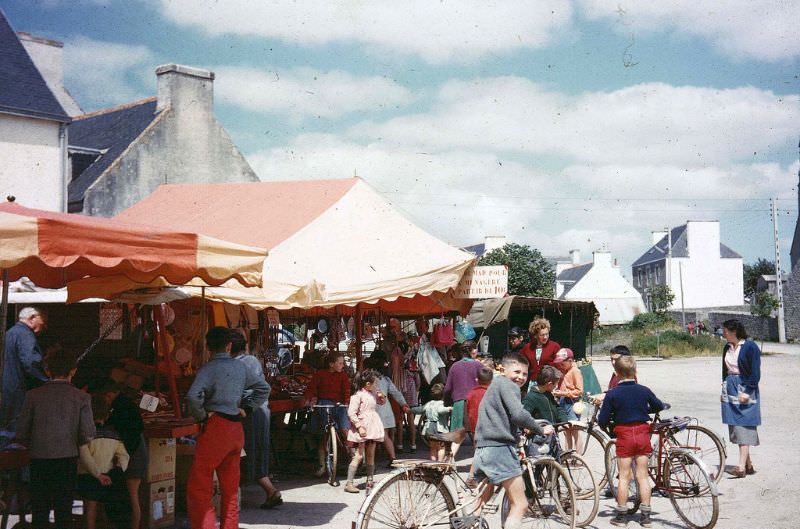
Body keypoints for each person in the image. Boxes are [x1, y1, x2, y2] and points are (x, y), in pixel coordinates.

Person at [186, 327, 270, 529]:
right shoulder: (240, 368)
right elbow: (263, 388)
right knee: (230, 489)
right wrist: (247, 409)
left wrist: (202, 415)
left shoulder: (207, 369)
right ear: (229, 345)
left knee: (200, 486)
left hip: (216, 427)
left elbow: (192, 396)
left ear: (207, 347)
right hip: (236, 428)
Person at [15, 350, 95, 529]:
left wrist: (33, 443)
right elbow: (88, 433)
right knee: (64, 510)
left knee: (40, 510)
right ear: (73, 371)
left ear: (47, 371)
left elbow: (21, 432)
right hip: (67, 459)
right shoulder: (82, 398)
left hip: (38, 459)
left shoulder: (33, 396)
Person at [473, 353, 553, 529]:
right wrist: (539, 429)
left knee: (482, 500)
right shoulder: (509, 386)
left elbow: (502, 416)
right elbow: (518, 414)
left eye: (525, 374)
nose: (521, 377)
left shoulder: (495, 385)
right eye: (516, 371)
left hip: (483, 448)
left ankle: (471, 522)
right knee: (520, 504)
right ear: (503, 369)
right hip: (500, 449)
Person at [598, 356, 665, 528]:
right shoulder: (644, 390)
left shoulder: (613, 393)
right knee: (642, 476)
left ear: (617, 374)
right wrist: (644, 408)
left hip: (625, 436)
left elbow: (603, 419)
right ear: (635, 371)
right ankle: (646, 517)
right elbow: (658, 406)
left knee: (624, 477)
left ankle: (621, 516)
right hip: (642, 434)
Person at [230, 331, 281, 508]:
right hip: (256, 410)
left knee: (249, 452)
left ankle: (267, 492)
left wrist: (246, 407)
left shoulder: (241, 363)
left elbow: (255, 388)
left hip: (251, 412)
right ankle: (270, 492)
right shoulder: (249, 360)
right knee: (254, 452)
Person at [98, 381, 147, 529]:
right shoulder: (126, 405)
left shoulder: (119, 409)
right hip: (135, 453)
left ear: (109, 395)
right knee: (133, 496)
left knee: (132, 497)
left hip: (132, 456)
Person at [78, 393, 130, 529]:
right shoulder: (114, 434)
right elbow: (123, 455)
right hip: (108, 475)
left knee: (90, 506)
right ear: (107, 415)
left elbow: (84, 455)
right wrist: (119, 469)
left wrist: (96, 474)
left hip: (87, 475)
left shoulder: (85, 433)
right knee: (105, 507)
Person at [720, 319, 761, 479]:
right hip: (730, 385)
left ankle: (741, 467)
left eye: (725, 331)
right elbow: (724, 370)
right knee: (736, 425)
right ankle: (748, 465)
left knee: (744, 424)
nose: (723, 333)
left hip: (745, 386)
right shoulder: (727, 347)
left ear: (734, 331)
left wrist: (748, 391)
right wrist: (723, 387)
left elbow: (755, 373)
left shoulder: (750, 347)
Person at [1, 307, 49, 438]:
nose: (45, 325)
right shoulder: (25, 335)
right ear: (32, 317)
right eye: (43, 320)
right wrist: (46, 382)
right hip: (18, 391)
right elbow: (31, 363)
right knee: (17, 432)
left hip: (7, 389)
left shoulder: (10, 333)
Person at [305, 352, 351, 477]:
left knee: (345, 429)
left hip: (339, 405)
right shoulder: (320, 374)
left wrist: (347, 402)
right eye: (340, 363)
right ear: (331, 364)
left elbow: (346, 390)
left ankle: (351, 454)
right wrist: (312, 399)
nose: (343, 365)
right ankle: (322, 465)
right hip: (324, 406)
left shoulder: (343, 376)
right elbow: (311, 389)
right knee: (323, 436)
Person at [344, 368, 386, 494]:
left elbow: (382, 402)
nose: (376, 386)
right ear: (368, 384)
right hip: (363, 428)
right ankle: (349, 483)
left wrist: (382, 396)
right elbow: (351, 413)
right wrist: (359, 426)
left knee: (371, 454)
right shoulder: (357, 396)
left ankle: (370, 480)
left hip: (372, 428)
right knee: (358, 455)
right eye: (375, 384)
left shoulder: (372, 394)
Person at [443, 340, 482, 460]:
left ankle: (447, 462)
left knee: (457, 436)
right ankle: (478, 465)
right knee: (477, 435)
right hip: (475, 404)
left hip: (458, 403)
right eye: (475, 349)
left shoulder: (454, 366)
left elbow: (447, 388)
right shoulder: (478, 365)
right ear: (472, 351)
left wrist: (446, 402)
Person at [373, 371, 410, 467]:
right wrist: (403, 404)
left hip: (374, 409)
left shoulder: (367, 378)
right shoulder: (386, 379)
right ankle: (392, 457)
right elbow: (395, 392)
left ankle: (368, 462)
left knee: (370, 438)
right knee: (385, 436)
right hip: (386, 408)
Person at [411, 382, 452, 462]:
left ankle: (433, 463)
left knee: (433, 448)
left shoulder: (428, 404)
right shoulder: (441, 404)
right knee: (441, 448)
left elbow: (419, 409)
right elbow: (440, 410)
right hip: (439, 430)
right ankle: (439, 463)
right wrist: (449, 408)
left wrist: (410, 410)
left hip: (429, 429)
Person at [551, 348, 583, 450]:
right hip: (563, 401)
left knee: (575, 431)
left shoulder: (575, 371)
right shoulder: (565, 371)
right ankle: (568, 456)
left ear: (569, 361)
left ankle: (578, 458)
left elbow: (579, 391)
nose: (560, 365)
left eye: (562, 363)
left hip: (572, 403)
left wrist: (563, 393)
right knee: (566, 431)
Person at [395, 332, 420, 452]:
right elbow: (418, 379)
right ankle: (414, 444)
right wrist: (417, 389)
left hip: (399, 390)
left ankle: (399, 445)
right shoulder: (412, 363)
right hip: (410, 389)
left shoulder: (395, 362)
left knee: (399, 420)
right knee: (411, 418)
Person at [520, 318, 560, 386]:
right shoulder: (527, 348)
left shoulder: (555, 346)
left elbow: (559, 366)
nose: (545, 337)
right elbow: (521, 363)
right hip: (532, 383)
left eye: (547, 334)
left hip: (549, 384)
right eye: (542, 335)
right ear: (535, 335)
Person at [466, 367, 493, 435]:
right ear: (491, 381)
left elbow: (468, 410)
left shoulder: (471, 394)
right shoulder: (493, 393)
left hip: (475, 427)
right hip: (491, 427)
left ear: (477, 380)